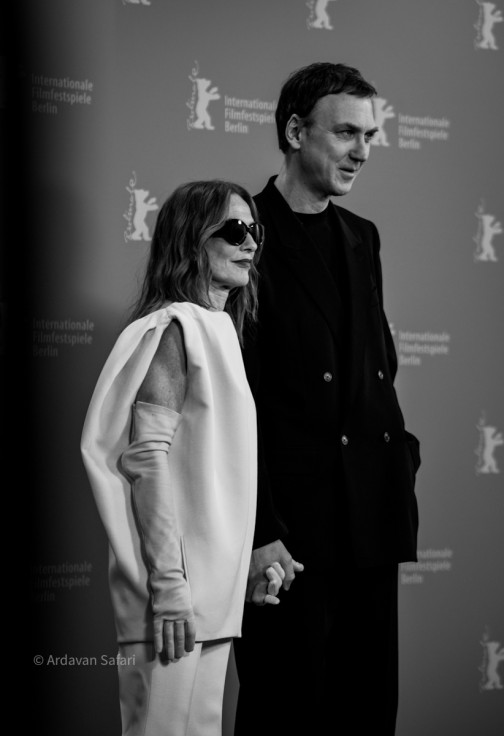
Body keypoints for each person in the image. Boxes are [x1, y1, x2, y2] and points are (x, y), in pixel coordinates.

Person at [233, 63, 421, 735]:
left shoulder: (362, 236)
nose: (362, 151)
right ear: (294, 131)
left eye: (370, 135)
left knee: (367, 713)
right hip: (290, 536)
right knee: (285, 712)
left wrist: (402, 459)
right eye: (346, 133)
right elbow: (235, 402)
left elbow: (375, 366)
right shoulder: (242, 231)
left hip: (370, 518)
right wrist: (260, 532)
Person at [80, 180, 283, 736]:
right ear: (192, 240)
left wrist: (235, 574)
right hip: (173, 604)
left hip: (209, 604)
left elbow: (210, 478)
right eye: (235, 230)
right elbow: (146, 460)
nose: (250, 243)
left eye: (255, 230)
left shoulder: (219, 330)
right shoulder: (175, 326)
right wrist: (170, 591)